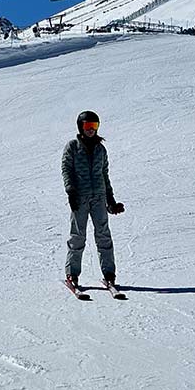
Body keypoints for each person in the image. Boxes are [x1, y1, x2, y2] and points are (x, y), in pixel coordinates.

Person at [61, 111, 124, 289]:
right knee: (78, 236)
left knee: (104, 236)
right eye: (88, 126)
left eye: (94, 126)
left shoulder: (100, 149)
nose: (91, 130)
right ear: (81, 127)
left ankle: (109, 274)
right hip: (79, 198)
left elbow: (104, 176)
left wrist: (111, 201)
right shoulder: (72, 147)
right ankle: (72, 274)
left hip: (99, 198)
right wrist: (71, 192)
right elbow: (66, 170)